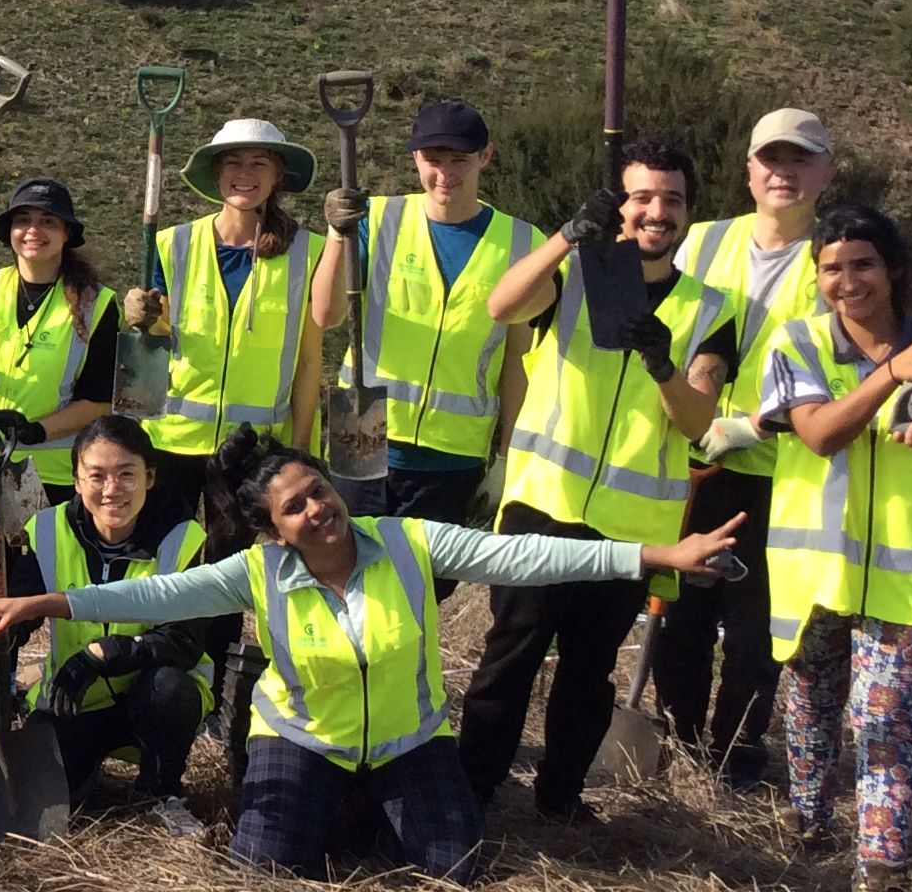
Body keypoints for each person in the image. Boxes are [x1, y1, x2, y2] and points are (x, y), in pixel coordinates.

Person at [0, 429, 743, 885]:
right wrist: (43, 604)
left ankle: (368, 800)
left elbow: (525, 556)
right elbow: (157, 596)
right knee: (265, 870)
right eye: (295, 507)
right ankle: (344, 800)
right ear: (273, 530)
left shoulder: (407, 542)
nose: (318, 509)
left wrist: (655, 555)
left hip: (408, 740)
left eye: (319, 490)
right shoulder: (258, 571)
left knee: (456, 866)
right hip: (302, 739)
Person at [459, 139, 737, 822]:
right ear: (619, 206)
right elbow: (502, 305)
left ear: (689, 212)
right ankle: (471, 792)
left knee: (590, 670)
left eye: (672, 200)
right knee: (511, 654)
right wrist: (567, 235)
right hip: (543, 506)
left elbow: (698, 420)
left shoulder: (711, 308)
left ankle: (560, 799)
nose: (656, 212)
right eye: (642, 197)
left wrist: (663, 366)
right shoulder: (575, 276)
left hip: (632, 528)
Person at [755, 203, 912, 892]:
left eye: (863, 264)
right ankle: (808, 817)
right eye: (831, 268)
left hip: (906, 574)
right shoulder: (796, 344)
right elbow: (820, 434)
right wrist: (892, 375)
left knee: (885, 720)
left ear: (893, 270)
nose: (848, 280)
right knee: (811, 707)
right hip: (816, 570)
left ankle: (881, 859)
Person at [650, 108, 835, 790]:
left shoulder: (835, 258)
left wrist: (756, 426)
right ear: (749, 169)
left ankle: (737, 754)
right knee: (680, 618)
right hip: (690, 464)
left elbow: (841, 368)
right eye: (771, 159)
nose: (783, 172)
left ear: (827, 172)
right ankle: (679, 740)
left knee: (759, 632)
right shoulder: (701, 241)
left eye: (800, 159)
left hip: (783, 476)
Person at [312, 101, 540, 558]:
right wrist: (337, 235)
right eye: (433, 160)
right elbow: (326, 315)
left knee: (425, 579)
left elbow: (518, 363)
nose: (445, 174)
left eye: (459, 160)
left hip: (453, 450)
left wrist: (506, 457)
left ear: (485, 157)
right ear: (415, 157)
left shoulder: (523, 243)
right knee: (343, 564)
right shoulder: (374, 218)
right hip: (361, 423)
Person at [0, 416, 207, 833]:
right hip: (73, 697)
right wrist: (1, 627)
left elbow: (184, 640)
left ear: (150, 477)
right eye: (97, 476)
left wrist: (105, 654)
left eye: (126, 474)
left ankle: (162, 792)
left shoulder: (183, 539)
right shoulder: (47, 531)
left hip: (150, 697)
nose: (111, 490)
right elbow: (24, 604)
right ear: (76, 480)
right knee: (45, 793)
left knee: (170, 687)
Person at [124, 117, 326, 505]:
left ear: (277, 176)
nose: (244, 174)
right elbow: (157, 337)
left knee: (239, 548)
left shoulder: (308, 253)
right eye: (233, 162)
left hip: (257, 449)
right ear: (216, 174)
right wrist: (137, 315)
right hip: (172, 442)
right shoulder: (173, 245)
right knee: (170, 543)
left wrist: (300, 449)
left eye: (259, 163)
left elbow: (308, 362)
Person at [0, 177, 116, 598]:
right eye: (24, 220)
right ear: (9, 231)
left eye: (48, 221)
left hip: (47, 475)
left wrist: (35, 431)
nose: (34, 230)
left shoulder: (96, 305)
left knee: (45, 588)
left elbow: (99, 401)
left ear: (67, 233)